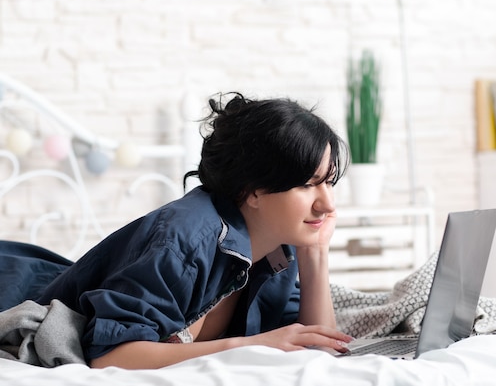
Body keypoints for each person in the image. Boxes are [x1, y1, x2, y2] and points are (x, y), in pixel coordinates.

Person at [2, 92, 354, 369]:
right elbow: (111, 357)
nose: (328, 204)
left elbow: (316, 346)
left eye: (329, 182)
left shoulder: (278, 246)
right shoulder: (184, 240)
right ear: (254, 190)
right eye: (309, 185)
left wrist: (315, 254)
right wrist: (247, 346)